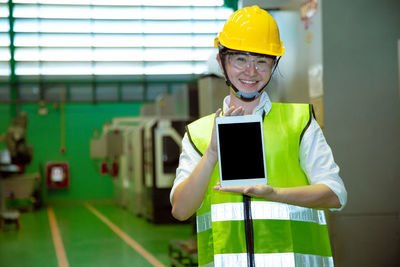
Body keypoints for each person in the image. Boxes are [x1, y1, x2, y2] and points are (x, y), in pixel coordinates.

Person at [170, 5, 347, 267]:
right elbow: (181, 210)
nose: (251, 71)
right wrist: (211, 154)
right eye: (240, 59)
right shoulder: (199, 134)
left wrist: (274, 193)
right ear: (222, 62)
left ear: (274, 65)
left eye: (262, 61)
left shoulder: (299, 123)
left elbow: (335, 195)